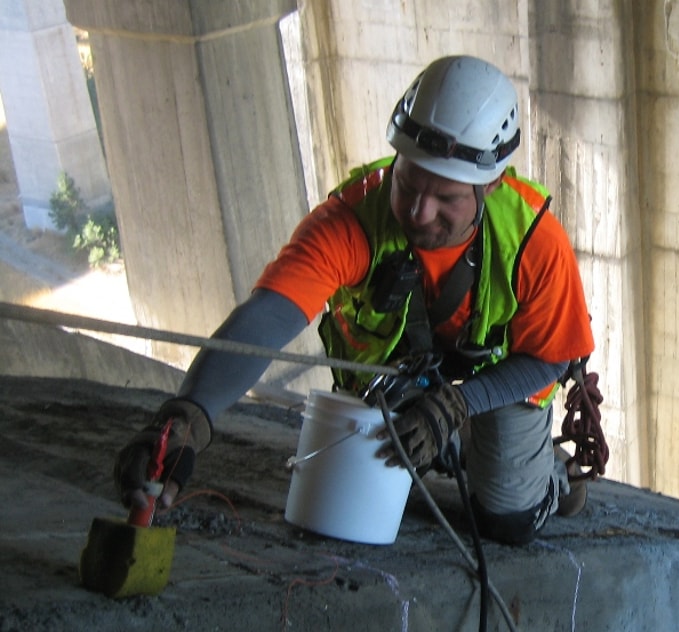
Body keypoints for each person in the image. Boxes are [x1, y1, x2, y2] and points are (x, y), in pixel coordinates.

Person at [113, 55, 595, 546]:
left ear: (490, 184)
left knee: (506, 523)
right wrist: (189, 416)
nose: (417, 211)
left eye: (446, 198)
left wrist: (459, 402)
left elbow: (548, 360)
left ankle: (547, 476)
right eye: (406, 183)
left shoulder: (532, 240)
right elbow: (268, 316)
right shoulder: (353, 218)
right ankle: (454, 440)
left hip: (495, 388)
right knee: (356, 495)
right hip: (391, 382)